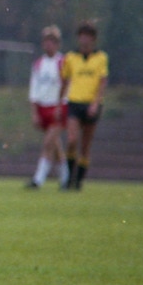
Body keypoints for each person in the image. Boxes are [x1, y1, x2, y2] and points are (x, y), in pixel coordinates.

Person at [60, 20, 109, 190]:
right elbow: (65, 81)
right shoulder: (71, 57)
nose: (84, 40)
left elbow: (102, 82)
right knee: (72, 140)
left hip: (91, 104)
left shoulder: (100, 58)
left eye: (88, 36)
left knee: (85, 145)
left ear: (93, 39)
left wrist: (95, 103)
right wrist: (60, 102)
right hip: (74, 102)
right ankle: (69, 177)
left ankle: (78, 180)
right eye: (82, 36)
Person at [25, 25, 68, 189]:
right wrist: (34, 112)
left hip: (57, 107)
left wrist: (60, 105)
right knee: (55, 144)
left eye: (52, 41)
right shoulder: (38, 64)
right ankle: (66, 176)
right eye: (46, 41)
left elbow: (67, 86)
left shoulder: (63, 62)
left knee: (48, 143)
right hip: (43, 107)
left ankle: (38, 179)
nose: (48, 45)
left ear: (57, 44)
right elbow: (34, 89)